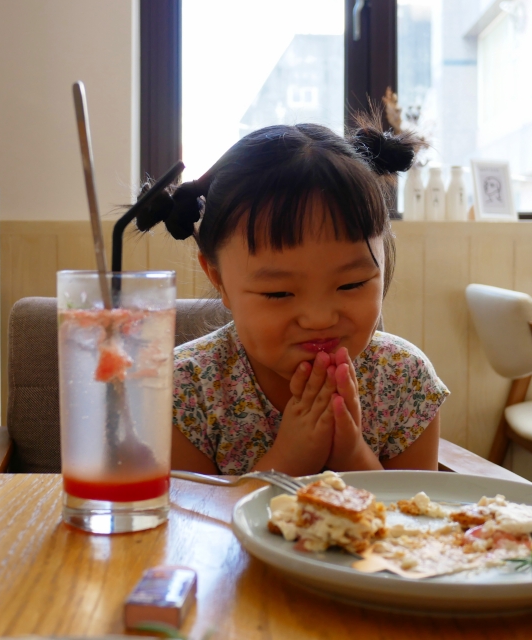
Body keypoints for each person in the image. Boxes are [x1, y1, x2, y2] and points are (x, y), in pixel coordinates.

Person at [137, 118, 448, 476]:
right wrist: (289, 460)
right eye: (279, 292)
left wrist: (351, 455)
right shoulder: (183, 391)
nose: (319, 318)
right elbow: (190, 529)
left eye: (351, 284)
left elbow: (412, 527)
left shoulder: (403, 381)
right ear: (218, 277)